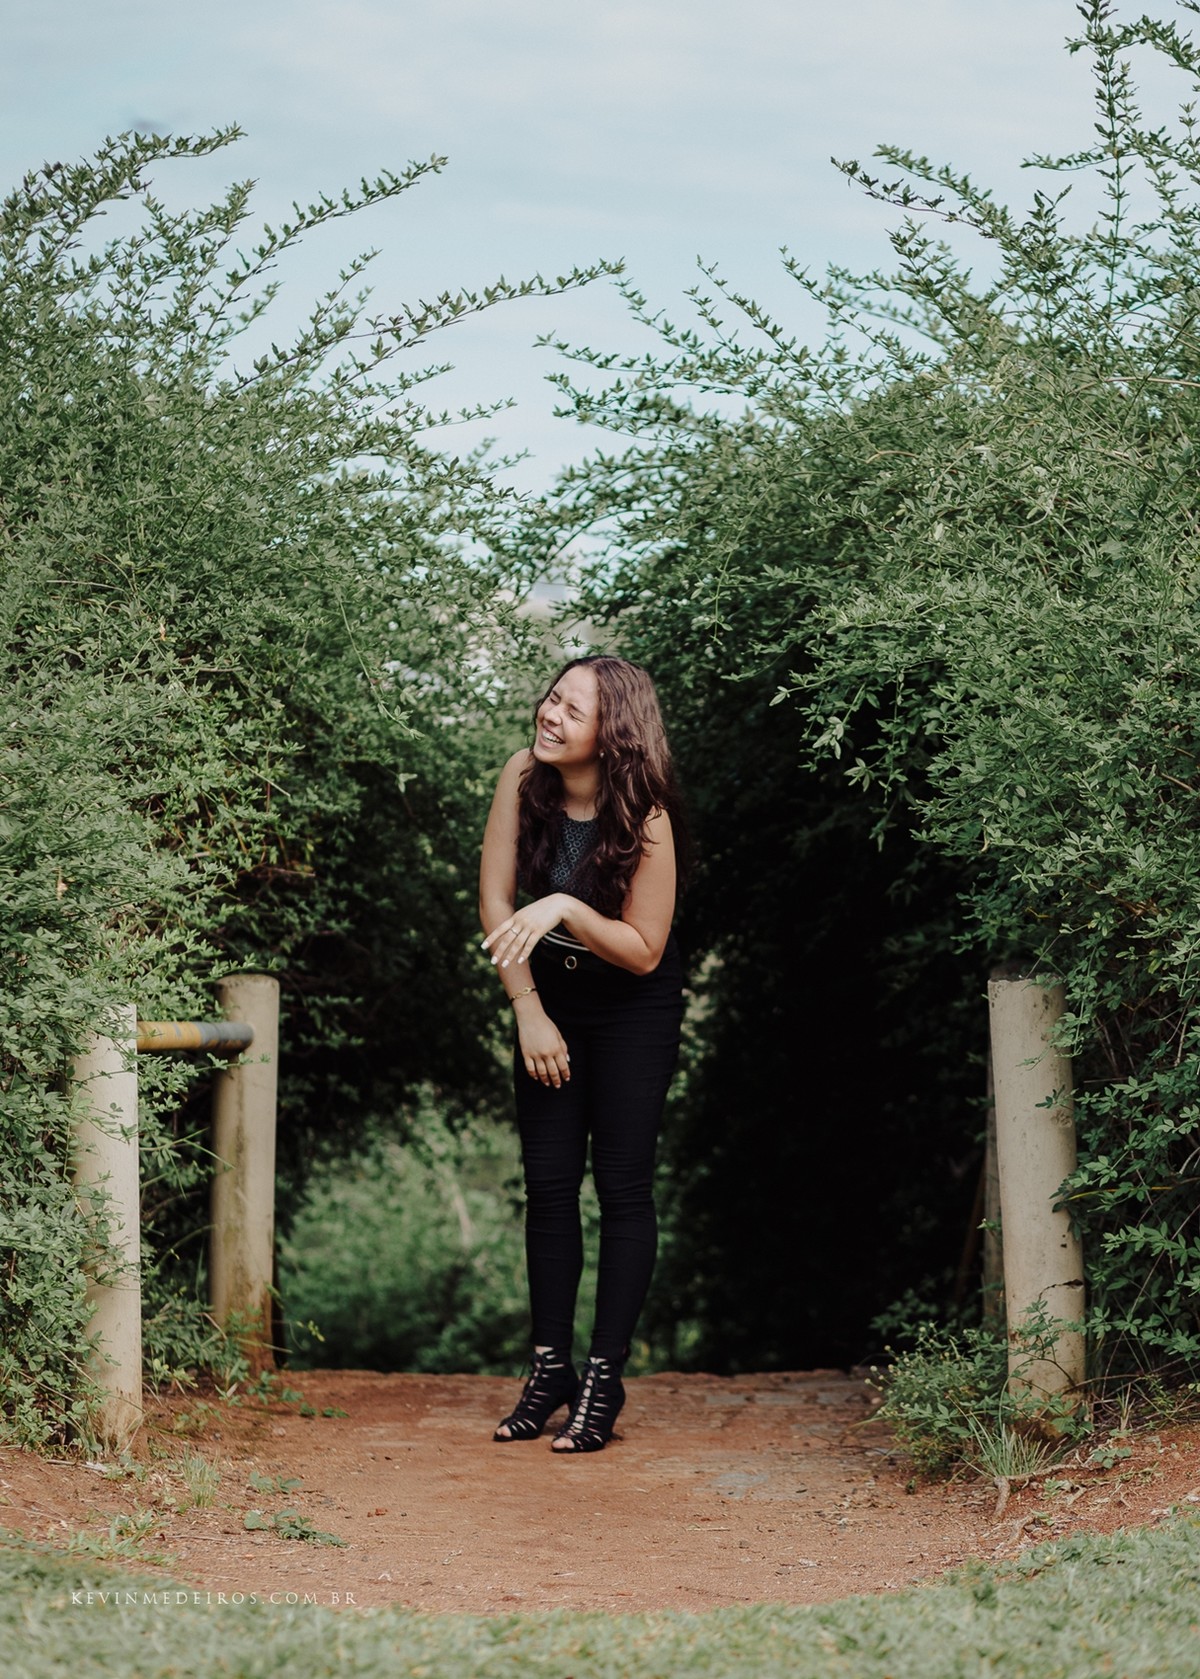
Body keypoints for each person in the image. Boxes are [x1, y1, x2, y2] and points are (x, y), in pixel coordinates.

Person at [478, 654, 684, 1453]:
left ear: (612, 732)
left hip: (634, 1007)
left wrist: (564, 902)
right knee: (550, 1186)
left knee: (623, 1189)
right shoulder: (521, 775)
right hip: (549, 1001)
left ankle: (603, 1376)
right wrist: (528, 1010)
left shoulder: (647, 814)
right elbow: (496, 901)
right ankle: (549, 1369)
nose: (550, 714)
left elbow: (643, 948)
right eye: (552, 697)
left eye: (572, 709)